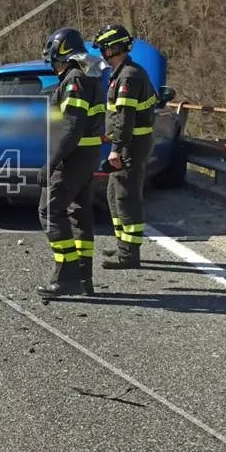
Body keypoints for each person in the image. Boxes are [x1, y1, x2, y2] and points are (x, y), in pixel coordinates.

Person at [37, 27, 106, 298]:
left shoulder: (74, 80)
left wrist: (51, 162)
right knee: (79, 214)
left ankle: (65, 276)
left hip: (72, 159)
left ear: (61, 54)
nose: (52, 65)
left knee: (50, 212)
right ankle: (84, 277)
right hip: (87, 158)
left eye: (52, 60)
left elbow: (70, 127)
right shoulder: (89, 78)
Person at [95, 23, 157, 270]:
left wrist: (116, 149)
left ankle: (129, 255)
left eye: (104, 48)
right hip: (128, 143)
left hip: (131, 146)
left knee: (126, 198)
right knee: (114, 195)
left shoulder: (129, 76)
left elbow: (125, 116)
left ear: (113, 49)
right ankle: (124, 246)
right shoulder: (123, 72)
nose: (102, 53)